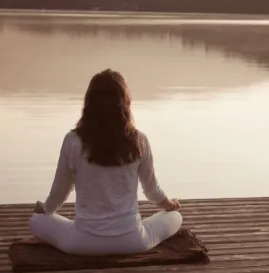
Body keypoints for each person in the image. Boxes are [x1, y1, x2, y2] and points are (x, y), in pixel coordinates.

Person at [29, 69, 183, 255]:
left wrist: (45, 210)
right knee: (175, 216)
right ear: (124, 103)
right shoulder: (139, 140)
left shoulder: (73, 140)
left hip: (82, 243)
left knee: (36, 221)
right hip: (133, 241)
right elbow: (152, 191)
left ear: (89, 104)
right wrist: (170, 205)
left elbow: (60, 191)